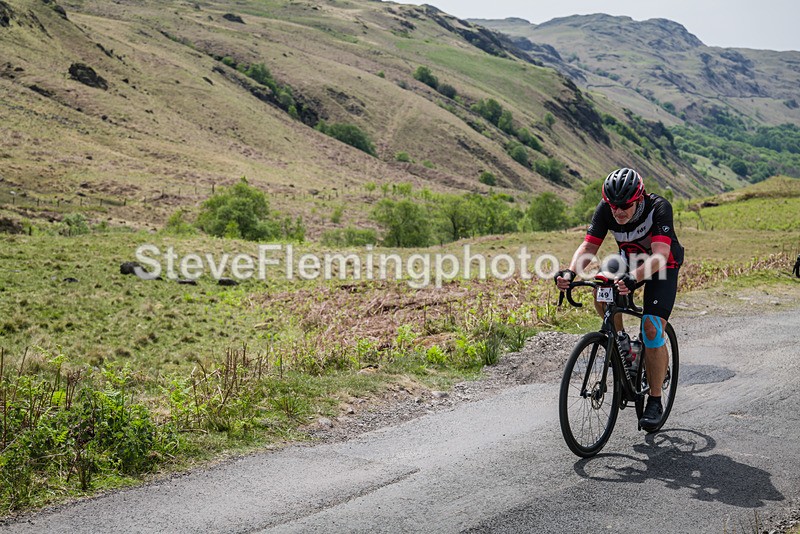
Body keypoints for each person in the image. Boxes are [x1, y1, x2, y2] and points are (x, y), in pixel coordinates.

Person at [555, 168, 684, 431]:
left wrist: (634, 278)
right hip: (628, 261)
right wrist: (570, 271)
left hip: (662, 267)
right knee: (601, 287)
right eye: (614, 206)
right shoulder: (606, 210)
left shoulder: (658, 208)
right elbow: (590, 247)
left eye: (624, 206)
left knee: (651, 327)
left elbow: (659, 256)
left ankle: (655, 400)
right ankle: (622, 342)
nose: (618, 212)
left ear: (639, 198)